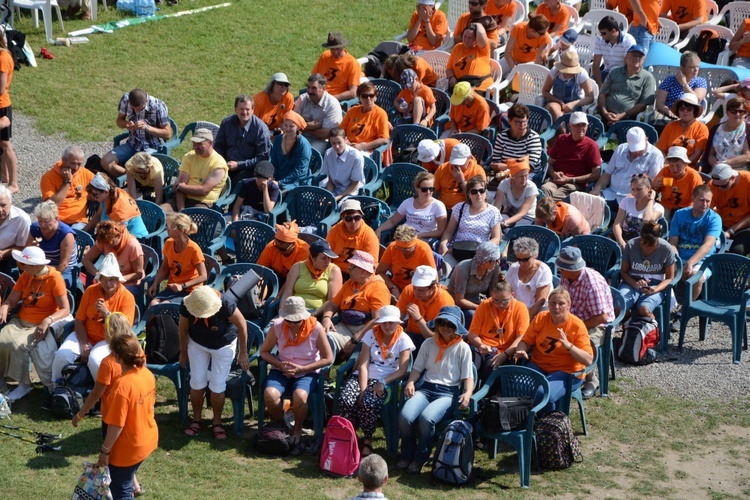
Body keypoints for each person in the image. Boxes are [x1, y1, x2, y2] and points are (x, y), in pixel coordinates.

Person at [71, 312, 145, 498]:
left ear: (109, 334)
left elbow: (96, 394)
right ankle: (134, 485)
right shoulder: (138, 353)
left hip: (114, 416)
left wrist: (80, 414)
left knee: (115, 459)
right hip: (136, 415)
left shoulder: (108, 363)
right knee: (125, 459)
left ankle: (127, 486)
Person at [398, 306, 473, 474]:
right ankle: (406, 454)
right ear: (437, 324)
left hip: (448, 392)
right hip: (426, 389)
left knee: (426, 418)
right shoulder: (428, 343)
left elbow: (468, 376)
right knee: (405, 416)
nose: (445, 327)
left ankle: (420, 457)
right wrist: (411, 382)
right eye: (442, 323)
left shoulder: (463, 348)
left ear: (457, 327)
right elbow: (417, 368)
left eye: (450, 324)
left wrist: (467, 393)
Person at [337, 305, 414, 457]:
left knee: (368, 403)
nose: (387, 326)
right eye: (384, 322)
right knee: (346, 399)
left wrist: (383, 382)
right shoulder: (371, 334)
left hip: (386, 379)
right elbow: (363, 364)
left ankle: (367, 439)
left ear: (398, 323)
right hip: (364, 376)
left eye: (391, 322)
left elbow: (402, 370)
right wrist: (363, 389)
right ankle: (349, 434)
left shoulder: (404, 339)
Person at [261, 296, 334, 451]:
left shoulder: (316, 328)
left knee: (300, 396)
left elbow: (328, 358)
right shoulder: (277, 326)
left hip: (307, 371)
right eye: (289, 320)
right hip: (282, 369)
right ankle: (282, 424)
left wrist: (302, 369)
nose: (293, 324)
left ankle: (297, 429)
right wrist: (279, 365)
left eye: (297, 321)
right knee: (270, 394)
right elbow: (264, 352)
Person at [52, 253, 136, 382]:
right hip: (87, 335)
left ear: (118, 280)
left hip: (109, 339)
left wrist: (107, 313)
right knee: (62, 355)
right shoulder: (91, 291)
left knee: (95, 360)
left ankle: (102, 395)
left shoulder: (127, 297)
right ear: (99, 279)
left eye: (112, 279)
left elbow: (124, 330)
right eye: (105, 279)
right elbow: (79, 321)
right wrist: (84, 344)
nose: (108, 283)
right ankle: (56, 389)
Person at [0, 247, 70, 401]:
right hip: (20, 320)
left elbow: (66, 309)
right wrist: (5, 307)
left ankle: (24, 385)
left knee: (17, 344)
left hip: (39, 324)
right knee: (2, 340)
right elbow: (12, 299)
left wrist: (48, 320)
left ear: (37, 266)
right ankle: (2, 380)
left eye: (25, 264)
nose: (22, 266)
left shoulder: (54, 278)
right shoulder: (26, 275)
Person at [180, 286, 249, 440]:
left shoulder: (225, 303)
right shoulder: (187, 304)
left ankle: (217, 422)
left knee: (218, 386)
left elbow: (242, 325)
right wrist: (183, 353)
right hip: (197, 343)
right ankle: (197, 419)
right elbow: (183, 329)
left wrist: (243, 353)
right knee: (196, 382)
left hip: (223, 344)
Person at [95, 334, 158, 499]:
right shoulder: (147, 373)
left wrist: (105, 451)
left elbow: (116, 425)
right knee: (127, 480)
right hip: (147, 441)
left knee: (121, 490)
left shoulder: (122, 386)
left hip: (127, 450)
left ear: (117, 357)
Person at [514, 287, 593, 412]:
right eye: (553, 303)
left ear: (569, 305)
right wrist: (522, 350)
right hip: (539, 365)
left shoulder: (577, 325)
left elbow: (588, 360)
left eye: (561, 304)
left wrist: (569, 346)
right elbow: (526, 341)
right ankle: (523, 420)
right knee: (517, 385)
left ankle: (548, 424)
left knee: (543, 394)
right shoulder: (541, 318)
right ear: (548, 304)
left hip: (567, 372)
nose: (556, 307)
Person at [556, 246, 614, 399]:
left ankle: (591, 380)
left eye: (562, 269)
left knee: (585, 342)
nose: (559, 271)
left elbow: (601, 317)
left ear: (573, 269)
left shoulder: (592, 284)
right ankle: (561, 370)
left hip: (596, 324)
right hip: (573, 319)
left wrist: (577, 327)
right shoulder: (566, 276)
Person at [319, 250, 391, 357]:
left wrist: (356, 339)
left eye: (352, 267)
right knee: (317, 336)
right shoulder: (350, 283)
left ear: (363, 271)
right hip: (343, 325)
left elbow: (377, 320)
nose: (348, 269)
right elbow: (333, 304)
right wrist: (326, 317)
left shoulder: (378, 288)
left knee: (326, 342)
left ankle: (320, 371)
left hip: (363, 331)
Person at [467, 278, 529, 383]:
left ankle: (485, 397)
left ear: (512, 296)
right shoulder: (485, 305)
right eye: (496, 300)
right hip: (483, 347)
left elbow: (521, 337)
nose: (500, 305)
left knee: (491, 367)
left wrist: (505, 354)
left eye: (504, 301)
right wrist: (481, 345)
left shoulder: (520, 308)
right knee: (470, 365)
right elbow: (472, 334)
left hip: (506, 350)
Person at [101, 88, 171, 178]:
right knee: (106, 161)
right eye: (133, 109)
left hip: (151, 147)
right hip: (132, 143)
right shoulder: (125, 100)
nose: (136, 111)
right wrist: (127, 124)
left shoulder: (158, 106)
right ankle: (131, 179)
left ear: (146, 100)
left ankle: (131, 181)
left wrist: (147, 127)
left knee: (139, 167)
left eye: (139, 109)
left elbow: (167, 134)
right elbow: (119, 121)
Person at [669, 184, 722, 300]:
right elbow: (673, 242)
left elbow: (708, 245)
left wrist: (690, 263)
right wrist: (677, 261)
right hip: (680, 256)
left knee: (696, 277)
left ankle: (684, 311)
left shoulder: (714, 218)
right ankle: (668, 305)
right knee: (665, 272)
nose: (705, 204)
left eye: (708, 201)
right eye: (701, 200)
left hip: (701, 260)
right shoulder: (680, 214)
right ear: (693, 199)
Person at [438, 176, 502, 267]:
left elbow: (496, 238)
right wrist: (443, 244)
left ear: (485, 192)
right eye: (474, 192)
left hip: (478, 254)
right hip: (457, 250)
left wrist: (483, 248)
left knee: (464, 270)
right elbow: (449, 231)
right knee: (445, 271)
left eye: (481, 190)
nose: (478, 194)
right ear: (469, 194)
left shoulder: (493, 212)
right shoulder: (460, 208)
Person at [619, 221, 677, 319]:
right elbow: (623, 272)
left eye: (650, 244)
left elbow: (669, 278)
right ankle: (630, 327)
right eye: (643, 242)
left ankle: (653, 329)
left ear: (658, 239)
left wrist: (655, 289)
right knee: (619, 308)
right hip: (632, 282)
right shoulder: (631, 245)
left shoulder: (666, 249)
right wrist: (635, 284)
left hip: (656, 285)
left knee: (644, 309)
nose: (646, 246)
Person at [163, 128, 228, 213]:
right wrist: (181, 210)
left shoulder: (218, 164)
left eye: (199, 144)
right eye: (194, 143)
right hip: (182, 200)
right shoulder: (189, 157)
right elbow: (180, 188)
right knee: (159, 214)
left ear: (210, 143)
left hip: (203, 203)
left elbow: (203, 190)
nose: (195, 147)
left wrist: (181, 186)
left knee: (188, 223)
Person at [147, 213, 207, 305]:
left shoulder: (194, 249)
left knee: (165, 306)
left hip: (190, 290)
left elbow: (203, 276)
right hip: (173, 288)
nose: (167, 229)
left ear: (182, 230)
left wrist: (182, 286)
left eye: (171, 227)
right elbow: (164, 267)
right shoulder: (169, 243)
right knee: (153, 304)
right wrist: (155, 283)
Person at [542, 112, 602, 200]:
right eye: (577, 125)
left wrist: (570, 179)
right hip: (556, 180)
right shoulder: (561, 139)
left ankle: (548, 211)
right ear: (570, 126)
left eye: (583, 125)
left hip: (575, 184)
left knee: (553, 199)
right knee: (544, 190)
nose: (581, 128)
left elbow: (596, 174)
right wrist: (553, 173)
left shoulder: (591, 145)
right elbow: (550, 163)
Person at [214, 94, 272, 184]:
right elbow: (218, 146)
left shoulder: (261, 130)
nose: (244, 112)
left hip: (247, 170)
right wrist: (221, 162)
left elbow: (262, 158)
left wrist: (238, 165)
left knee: (235, 183)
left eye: (247, 109)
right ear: (235, 109)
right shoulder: (227, 123)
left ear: (253, 110)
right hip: (224, 164)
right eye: (241, 109)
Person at [376, 172, 447, 242]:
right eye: (424, 189)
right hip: (405, 237)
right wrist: (379, 229)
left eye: (431, 189)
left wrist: (423, 235)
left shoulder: (438, 206)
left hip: (424, 241)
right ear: (417, 188)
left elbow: (440, 231)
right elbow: (392, 221)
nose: (428, 192)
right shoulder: (408, 202)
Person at [396, 265, 455, 350]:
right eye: (415, 288)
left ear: (433, 287)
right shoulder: (409, 290)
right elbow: (398, 318)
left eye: (421, 290)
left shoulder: (445, 303)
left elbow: (438, 339)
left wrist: (419, 319)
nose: (416, 292)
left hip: (433, 343)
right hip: (410, 334)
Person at [598, 45, 656, 127]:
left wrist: (623, 115)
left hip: (628, 117)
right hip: (606, 113)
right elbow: (602, 94)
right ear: (626, 57)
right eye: (634, 55)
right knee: (592, 126)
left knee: (623, 132)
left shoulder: (647, 77)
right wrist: (605, 113)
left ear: (643, 60)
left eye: (640, 56)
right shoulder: (615, 72)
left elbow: (643, 104)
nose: (637, 58)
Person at [82, 221, 145, 296]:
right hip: (108, 279)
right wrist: (98, 275)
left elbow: (138, 274)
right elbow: (86, 260)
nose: (108, 246)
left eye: (110, 243)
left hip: (128, 283)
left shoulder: (133, 246)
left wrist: (116, 280)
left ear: (119, 236)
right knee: (92, 292)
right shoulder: (104, 241)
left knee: (110, 295)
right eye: (105, 243)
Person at [447, 242, 503, 325]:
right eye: (495, 260)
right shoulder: (463, 268)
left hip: (476, 301)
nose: (497, 262)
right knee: (474, 315)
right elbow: (459, 300)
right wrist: (481, 308)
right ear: (485, 261)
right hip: (457, 304)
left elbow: (492, 292)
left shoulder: (495, 268)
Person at [280, 240, 343, 311]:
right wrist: (281, 315)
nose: (327, 262)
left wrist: (317, 314)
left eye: (329, 258)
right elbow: (287, 294)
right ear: (312, 258)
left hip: (317, 313)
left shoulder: (334, 270)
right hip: (294, 310)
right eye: (323, 258)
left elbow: (332, 302)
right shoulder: (297, 267)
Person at [40, 146, 95, 226]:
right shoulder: (48, 177)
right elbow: (50, 207)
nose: (75, 168)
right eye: (72, 163)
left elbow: (104, 188)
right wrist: (67, 182)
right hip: (55, 221)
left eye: (79, 164)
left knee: (76, 235)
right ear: (63, 160)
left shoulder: (85, 174)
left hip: (78, 221)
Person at [83, 173, 148, 239]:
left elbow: (118, 236)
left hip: (135, 239)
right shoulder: (108, 196)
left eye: (95, 195)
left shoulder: (120, 208)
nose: (93, 198)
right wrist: (84, 231)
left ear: (106, 192)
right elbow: (98, 215)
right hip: (112, 235)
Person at [376, 225, 436, 297]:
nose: (402, 251)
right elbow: (380, 272)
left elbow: (433, 278)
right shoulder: (392, 247)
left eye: (407, 248)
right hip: (397, 286)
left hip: (417, 291)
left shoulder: (424, 249)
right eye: (399, 248)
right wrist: (393, 287)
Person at [27, 200, 77, 288]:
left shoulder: (66, 234)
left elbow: (64, 264)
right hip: (40, 266)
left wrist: (46, 277)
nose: (42, 225)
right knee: (24, 282)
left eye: (46, 221)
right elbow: (26, 251)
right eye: (40, 221)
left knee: (51, 287)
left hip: (62, 270)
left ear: (56, 219)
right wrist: (32, 248)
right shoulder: (35, 228)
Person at [490, 103, 544, 177]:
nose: (522, 126)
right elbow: (496, 161)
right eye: (517, 122)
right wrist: (500, 169)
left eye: (524, 122)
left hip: (528, 175)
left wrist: (506, 167)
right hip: (504, 174)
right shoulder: (502, 136)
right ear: (509, 121)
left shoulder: (533, 138)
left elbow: (530, 166)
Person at [326, 198, 380, 272]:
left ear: (362, 215)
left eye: (357, 218)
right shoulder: (334, 231)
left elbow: (372, 265)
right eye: (348, 218)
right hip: (335, 270)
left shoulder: (369, 235)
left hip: (359, 274)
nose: (353, 222)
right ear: (342, 217)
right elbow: (327, 255)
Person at [505, 237, 553, 320]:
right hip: (516, 312)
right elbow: (507, 292)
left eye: (525, 260)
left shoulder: (543, 271)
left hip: (537, 314)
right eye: (519, 259)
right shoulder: (513, 268)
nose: (521, 263)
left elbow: (540, 302)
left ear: (535, 255)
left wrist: (525, 320)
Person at [295, 74, 343, 154]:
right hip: (300, 136)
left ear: (323, 88)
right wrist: (310, 125)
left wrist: (302, 126)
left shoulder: (332, 104)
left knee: (308, 153)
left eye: (313, 88)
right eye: (308, 87)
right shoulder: (303, 99)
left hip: (321, 141)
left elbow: (326, 133)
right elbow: (292, 122)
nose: (309, 91)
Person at [541, 51, 597, 122]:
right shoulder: (554, 71)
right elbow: (545, 92)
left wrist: (573, 104)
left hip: (575, 105)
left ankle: (561, 131)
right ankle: (563, 131)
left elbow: (590, 97)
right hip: (557, 102)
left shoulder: (581, 74)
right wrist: (558, 101)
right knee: (552, 108)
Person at [611, 174, 665, 248]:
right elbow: (617, 223)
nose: (635, 193)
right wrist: (620, 241)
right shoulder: (626, 201)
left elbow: (647, 220)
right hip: (625, 239)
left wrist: (651, 200)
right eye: (633, 189)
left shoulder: (658, 208)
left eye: (639, 189)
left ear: (648, 188)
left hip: (644, 244)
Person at [655, 93, 709, 166]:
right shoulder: (670, 126)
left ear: (695, 111)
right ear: (678, 111)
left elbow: (697, 154)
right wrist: (668, 164)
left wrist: (681, 166)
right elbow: (661, 149)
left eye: (689, 109)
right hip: (668, 165)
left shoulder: (702, 128)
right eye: (682, 109)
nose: (685, 111)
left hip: (689, 167)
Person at [654, 52, 707, 124]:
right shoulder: (669, 80)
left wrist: (683, 83)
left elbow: (696, 99)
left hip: (690, 117)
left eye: (697, 67)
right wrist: (669, 112)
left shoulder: (700, 81)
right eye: (692, 67)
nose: (696, 70)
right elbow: (659, 103)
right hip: (669, 117)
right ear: (682, 67)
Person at [709, 163, 750, 255]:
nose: (719, 189)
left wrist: (731, 231)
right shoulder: (713, 184)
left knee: (736, 250)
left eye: (723, 186)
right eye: (716, 186)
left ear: (732, 178)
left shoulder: (747, 181)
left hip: (745, 224)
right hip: (723, 222)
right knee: (711, 246)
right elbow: (707, 210)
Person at [652, 146, 703, 219]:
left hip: (685, 208)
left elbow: (699, 199)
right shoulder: (665, 171)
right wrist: (655, 186)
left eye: (678, 165)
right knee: (655, 219)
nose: (674, 169)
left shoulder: (693, 176)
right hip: (666, 205)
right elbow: (653, 192)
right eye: (671, 165)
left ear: (685, 164)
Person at [340, 82, 390, 154]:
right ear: (359, 98)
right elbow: (340, 130)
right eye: (364, 96)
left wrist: (363, 146)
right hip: (348, 146)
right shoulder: (352, 111)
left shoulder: (381, 114)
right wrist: (344, 140)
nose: (368, 98)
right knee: (330, 153)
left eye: (371, 95)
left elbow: (384, 139)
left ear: (375, 97)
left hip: (366, 150)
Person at [434, 143, 487, 210]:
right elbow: (432, 189)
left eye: (460, 163)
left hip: (466, 210)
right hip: (443, 209)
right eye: (455, 162)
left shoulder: (478, 171)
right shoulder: (443, 168)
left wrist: (462, 181)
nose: (457, 165)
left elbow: (477, 199)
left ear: (469, 158)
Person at [270, 110, 312, 191]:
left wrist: (280, 183)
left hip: (296, 181)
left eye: (291, 126)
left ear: (298, 127)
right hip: (278, 178)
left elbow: (300, 171)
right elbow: (273, 162)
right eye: (285, 125)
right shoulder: (278, 139)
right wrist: (272, 177)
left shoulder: (303, 145)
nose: (288, 129)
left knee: (277, 193)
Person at [312, 32, 361, 101]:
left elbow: (352, 92)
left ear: (343, 47)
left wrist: (331, 99)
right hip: (317, 95)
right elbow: (313, 77)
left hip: (334, 100)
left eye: (338, 49)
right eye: (332, 49)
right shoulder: (325, 56)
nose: (335, 52)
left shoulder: (352, 64)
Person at [446, 22, 493, 93]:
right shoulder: (457, 47)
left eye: (469, 38)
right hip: (461, 86)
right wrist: (451, 77)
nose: (466, 40)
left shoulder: (482, 49)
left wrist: (477, 24)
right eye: (465, 36)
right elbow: (449, 68)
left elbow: (481, 33)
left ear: (476, 40)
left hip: (479, 86)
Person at [321, 128, 365, 201]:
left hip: (351, 192)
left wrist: (337, 198)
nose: (336, 146)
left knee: (343, 207)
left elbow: (355, 184)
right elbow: (331, 181)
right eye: (333, 143)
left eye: (339, 143)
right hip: (336, 189)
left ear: (345, 140)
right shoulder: (329, 153)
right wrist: (327, 196)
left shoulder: (356, 157)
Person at [493, 157, 538, 229]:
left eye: (526, 176)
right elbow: (496, 208)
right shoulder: (504, 184)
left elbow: (521, 213)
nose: (524, 179)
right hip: (508, 214)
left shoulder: (531, 188)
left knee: (512, 230)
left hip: (526, 217)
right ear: (513, 176)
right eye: (521, 176)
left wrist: (504, 223)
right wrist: (495, 221)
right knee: (496, 227)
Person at [592, 16, 637, 88]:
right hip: (607, 73)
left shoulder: (628, 41)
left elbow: (628, 67)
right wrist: (600, 86)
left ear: (613, 31)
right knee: (590, 83)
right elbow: (595, 65)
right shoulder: (599, 39)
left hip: (623, 74)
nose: (601, 35)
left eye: (604, 33)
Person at [707, 97, 750, 171]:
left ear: (745, 113)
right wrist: (716, 164)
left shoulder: (747, 130)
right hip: (717, 169)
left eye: (741, 111)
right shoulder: (716, 129)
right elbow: (710, 155)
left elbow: (747, 157)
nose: (737, 114)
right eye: (733, 111)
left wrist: (725, 163)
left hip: (739, 171)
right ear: (727, 112)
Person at [0, 30, 17, 194]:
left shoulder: (3, 58)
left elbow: (0, 88)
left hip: (1, 105)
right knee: (2, 144)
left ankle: (14, 183)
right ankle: (4, 176)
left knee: (5, 145)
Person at [0, 185, 30, 269]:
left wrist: (3, 253)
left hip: (8, 258)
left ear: (11, 203)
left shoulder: (22, 220)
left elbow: (22, 248)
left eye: (3, 205)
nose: (0, 210)